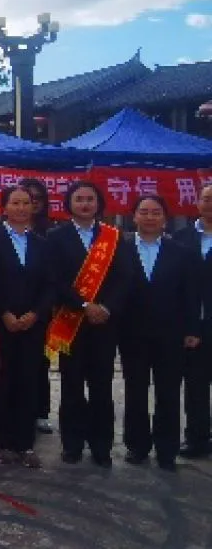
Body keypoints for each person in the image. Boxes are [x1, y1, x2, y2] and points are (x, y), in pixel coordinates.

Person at [46, 181, 128, 468]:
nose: (84, 204)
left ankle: (102, 446)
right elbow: (54, 280)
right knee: (71, 386)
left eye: (90, 199)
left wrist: (106, 307)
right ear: (69, 203)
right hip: (70, 321)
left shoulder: (114, 237)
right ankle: (72, 445)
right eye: (79, 199)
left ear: (98, 203)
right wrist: (83, 305)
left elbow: (124, 278)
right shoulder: (55, 237)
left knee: (102, 387)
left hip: (104, 323)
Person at [121, 195, 201, 471]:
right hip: (132, 332)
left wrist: (192, 329)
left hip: (170, 333)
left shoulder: (181, 252)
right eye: (144, 212)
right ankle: (137, 446)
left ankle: (167, 449)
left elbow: (191, 295)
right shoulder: (120, 249)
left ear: (165, 218)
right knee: (135, 391)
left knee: (168, 393)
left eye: (156, 212)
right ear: (134, 217)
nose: (150, 217)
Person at [0, 185, 55, 468]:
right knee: (3, 379)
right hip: (1, 324)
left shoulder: (42, 243)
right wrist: (3, 313)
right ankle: (4, 441)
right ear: (4, 208)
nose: (21, 208)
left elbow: (50, 284)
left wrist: (36, 314)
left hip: (33, 324)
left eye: (26, 203)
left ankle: (26, 443)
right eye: (15, 203)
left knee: (29, 380)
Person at [176, 183, 212, 459]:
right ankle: (197, 439)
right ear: (197, 202)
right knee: (196, 385)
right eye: (207, 199)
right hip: (194, 325)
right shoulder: (181, 238)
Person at [19, 176, 56, 435]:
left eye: (37, 199)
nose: (31, 204)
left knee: (41, 362)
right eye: (25, 198)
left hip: (43, 309)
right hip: (12, 310)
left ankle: (40, 411)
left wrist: (40, 309)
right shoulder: (2, 232)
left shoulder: (50, 233)